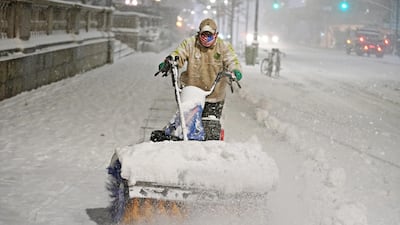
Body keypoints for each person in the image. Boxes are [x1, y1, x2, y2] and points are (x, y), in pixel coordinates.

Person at [156, 18, 243, 141]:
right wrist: (170, 61)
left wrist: (235, 71)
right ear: (199, 33)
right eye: (203, 34)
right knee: (186, 127)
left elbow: (232, 60)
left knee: (209, 129)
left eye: (210, 35)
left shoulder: (223, 47)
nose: (206, 38)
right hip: (192, 94)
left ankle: (208, 150)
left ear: (216, 35)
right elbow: (179, 54)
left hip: (214, 96)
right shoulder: (190, 44)